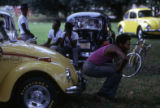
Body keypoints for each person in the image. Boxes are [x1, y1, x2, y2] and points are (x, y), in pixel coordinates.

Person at [82, 34, 131, 101]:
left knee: (117, 73)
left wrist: (123, 60)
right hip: (89, 66)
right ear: (121, 44)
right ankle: (101, 94)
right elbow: (124, 59)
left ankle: (109, 96)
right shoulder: (114, 48)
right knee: (114, 72)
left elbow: (118, 68)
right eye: (128, 45)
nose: (129, 47)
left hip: (95, 65)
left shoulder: (118, 49)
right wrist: (124, 58)